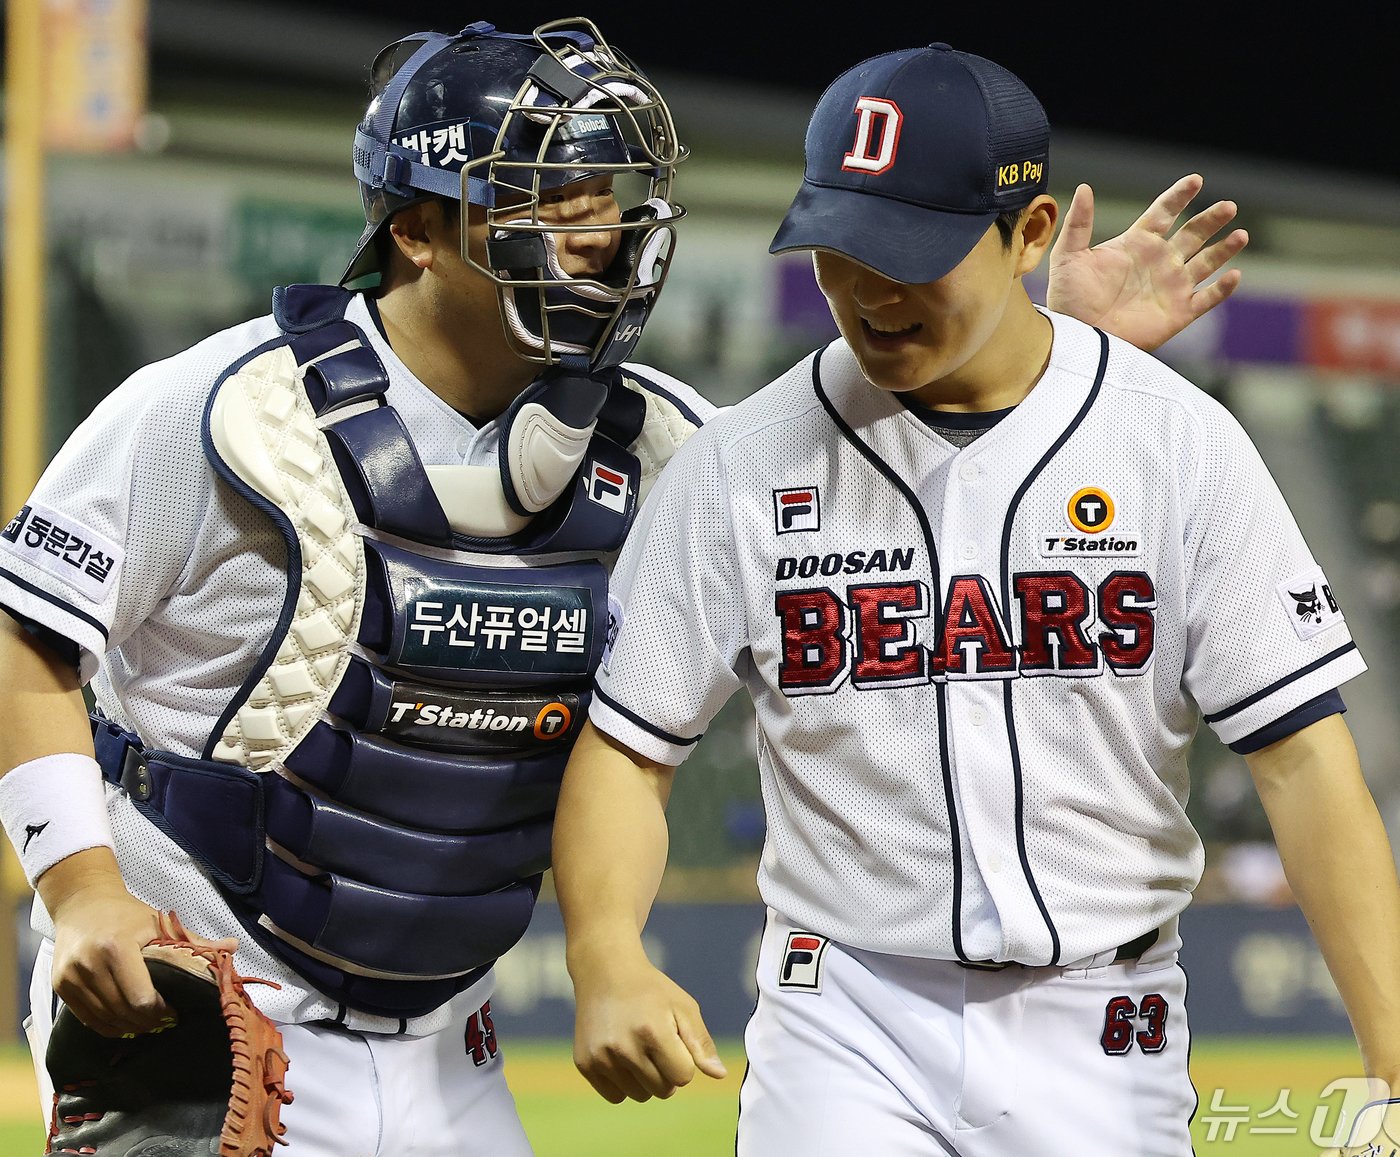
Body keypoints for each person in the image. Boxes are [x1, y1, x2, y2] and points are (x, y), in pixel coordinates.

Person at [0, 15, 1249, 1155]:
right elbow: (29, 641)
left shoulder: (664, 440)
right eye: (557, 202)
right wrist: (82, 883)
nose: (610, 235)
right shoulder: (224, 407)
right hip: (204, 1001)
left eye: (615, 198)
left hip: (453, 1035)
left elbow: (866, 468)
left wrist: (1040, 350)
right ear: (419, 228)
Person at [552, 42, 1400, 1157]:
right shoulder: (739, 464)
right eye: (840, 250)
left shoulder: (1177, 445)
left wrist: (1390, 1058)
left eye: (914, 251)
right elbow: (628, 747)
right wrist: (604, 953)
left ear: (1030, 236)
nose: (870, 291)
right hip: (840, 1011)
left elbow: (1299, 759)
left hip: (1105, 1019)